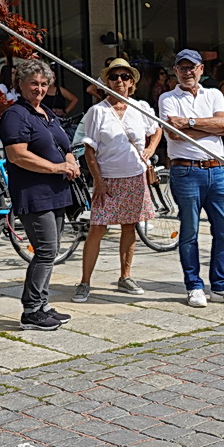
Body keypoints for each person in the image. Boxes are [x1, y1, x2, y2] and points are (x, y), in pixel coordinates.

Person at [161, 49, 224, 308]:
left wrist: (188, 123)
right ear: (176, 71)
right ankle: (194, 285)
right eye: (182, 68)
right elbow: (175, 135)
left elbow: (223, 124)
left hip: (218, 169)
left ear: (201, 69)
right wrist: (210, 128)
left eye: (192, 67)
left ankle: (221, 285)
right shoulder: (168, 98)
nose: (187, 72)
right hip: (186, 170)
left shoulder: (213, 94)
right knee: (189, 232)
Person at [0, 59, 80, 331]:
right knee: (45, 250)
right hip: (34, 193)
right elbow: (17, 154)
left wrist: (70, 161)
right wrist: (57, 166)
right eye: (34, 83)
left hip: (57, 191)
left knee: (52, 250)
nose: (39, 88)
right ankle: (31, 310)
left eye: (44, 84)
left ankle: (43, 305)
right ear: (20, 84)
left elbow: (63, 144)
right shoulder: (15, 115)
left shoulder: (45, 112)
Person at [74, 59, 161, 301]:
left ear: (132, 82)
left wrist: (151, 149)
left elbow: (157, 129)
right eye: (114, 77)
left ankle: (125, 276)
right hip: (108, 178)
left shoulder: (140, 107)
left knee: (129, 226)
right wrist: (98, 181)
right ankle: (84, 281)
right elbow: (89, 150)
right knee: (97, 229)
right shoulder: (97, 111)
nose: (119, 81)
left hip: (134, 176)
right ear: (106, 82)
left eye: (124, 77)